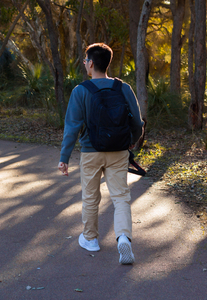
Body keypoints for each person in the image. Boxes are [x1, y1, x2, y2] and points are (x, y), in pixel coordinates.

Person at [58, 43, 144, 264]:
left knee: (91, 196)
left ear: (92, 63)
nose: (85, 63)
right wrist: (132, 142)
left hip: (90, 152)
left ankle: (90, 239)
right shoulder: (123, 88)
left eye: (86, 60)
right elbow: (137, 121)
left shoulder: (80, 91)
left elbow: (72, 127)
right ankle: (123, 237)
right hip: (118, 151)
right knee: (121, 197)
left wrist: (64, 158)